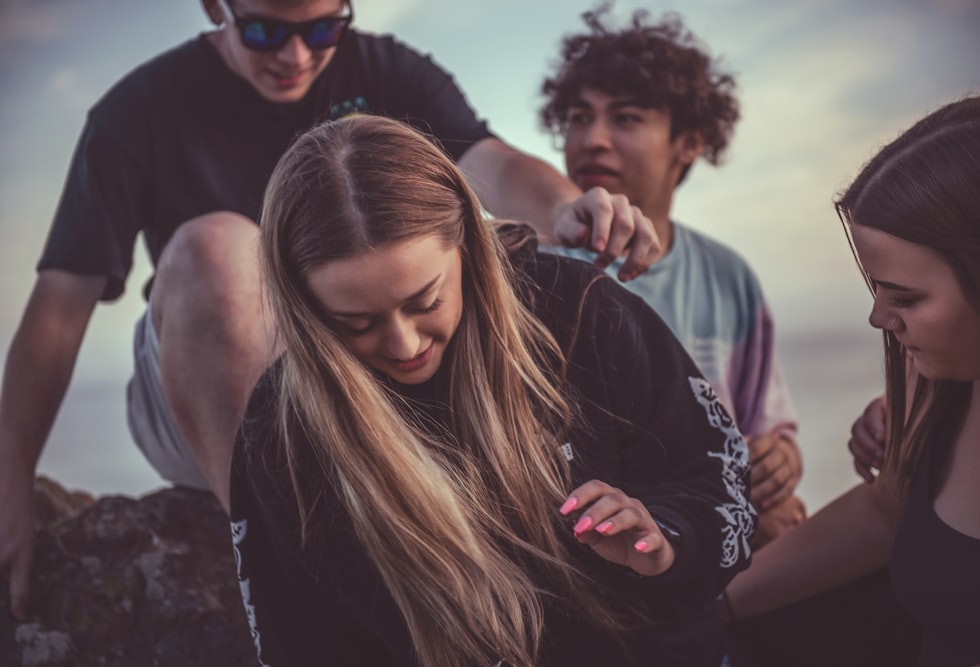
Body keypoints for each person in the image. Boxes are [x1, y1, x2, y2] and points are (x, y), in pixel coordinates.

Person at [0, 0, 661, 622]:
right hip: (204, 388)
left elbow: (492, 164)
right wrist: (11, 475)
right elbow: (59, 310)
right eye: (264, 31)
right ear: (214, 7)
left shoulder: (386, 70)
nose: (295, 55)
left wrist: (566, 207)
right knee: (219, 251)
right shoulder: (135, 112)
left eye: (322, 29)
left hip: (366, 370)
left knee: (478, 250)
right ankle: (292, 564)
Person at [229, 113, 755, 666]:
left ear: (467, 246)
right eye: (355, 323)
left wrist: (665, 540)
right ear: (303, 305)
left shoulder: (577, 311)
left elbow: (722, 482)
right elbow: (296, 645)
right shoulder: (279, 432)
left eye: (425, 301)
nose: (404, 344)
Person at [725, 95, 980, 667]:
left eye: (906, 297)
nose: (879, 318)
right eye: (876, 288)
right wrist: (701, 611)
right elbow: (887, 508)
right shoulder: (933, 378)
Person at [537, 5, 804, 547]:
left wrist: (781, 458)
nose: (593, 139)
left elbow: (765, 424)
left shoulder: (728, 275)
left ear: (690, 140)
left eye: (627, 118)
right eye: (580, 117)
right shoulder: (537, 272)